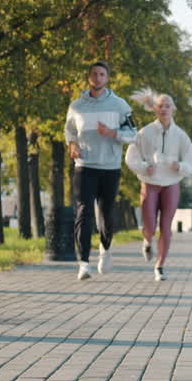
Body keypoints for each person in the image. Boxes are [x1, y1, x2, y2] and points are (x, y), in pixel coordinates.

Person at [63, 61, 136, 280]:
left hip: (110, 167)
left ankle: (105, 249)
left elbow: (133, 134)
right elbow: (69, 131)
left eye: (102, 74)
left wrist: (112, 133)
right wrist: (72, 145)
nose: (97, 77)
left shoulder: (120, 105)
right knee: (84, 213)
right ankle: (84, 264)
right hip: (84, 166)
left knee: (105, 213)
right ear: (89, 78)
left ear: (107, 78)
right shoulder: (76, 106)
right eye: (94, 74)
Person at [125, 88, 192, 281]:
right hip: (150, 182)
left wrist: (180, 166)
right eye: (160, 106)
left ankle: (160, 266)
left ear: (173, 109)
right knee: (149, 223)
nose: (164, 109)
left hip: (171, 183)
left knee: (166, 226)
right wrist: (143, 167)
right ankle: (147, 240)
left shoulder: (180, 136)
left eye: (167, 106)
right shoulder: (145, 133)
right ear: (155, 109)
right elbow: (131, 157)